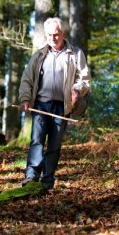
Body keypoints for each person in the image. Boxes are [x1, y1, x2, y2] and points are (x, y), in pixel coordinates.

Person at [19, 17, 90, 189]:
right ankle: (31, 176)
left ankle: (48, 180)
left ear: (63, 34)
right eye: (49, 35)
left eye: (56, 34)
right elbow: (27, 79)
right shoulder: (39, 55)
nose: (53, 38)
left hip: (62, 106)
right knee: (36, 140)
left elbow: (85, 80)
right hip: (41, 105)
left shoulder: (75, 54)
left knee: (54, 145)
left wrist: (77, 90)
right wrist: (25, 99)